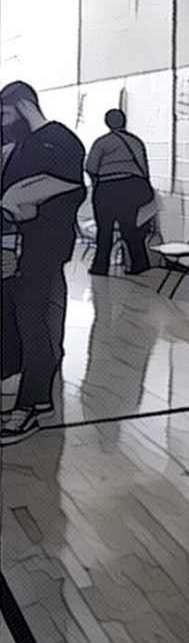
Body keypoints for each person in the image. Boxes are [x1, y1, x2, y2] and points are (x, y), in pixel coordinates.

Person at [0, 81, 87, 444]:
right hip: (24, 247)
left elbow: (71, 188)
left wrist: (22, 201)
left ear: (22, 106)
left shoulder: (59, 139)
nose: (4, 123)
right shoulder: (24, 146)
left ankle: (33, 407)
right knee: (25, 320)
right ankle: (31, 399)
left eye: (5, 114)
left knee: (38, 326)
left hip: (44, 248)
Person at [85, 109, 153, 276]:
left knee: (105, 230)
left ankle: (100, 267)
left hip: (107, 189)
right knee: (129, 228)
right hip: (131, 187)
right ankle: (140, 264)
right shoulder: (136, 141)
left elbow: (90, 167)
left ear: (107, 123)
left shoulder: (102, 142)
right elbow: (144, 168)